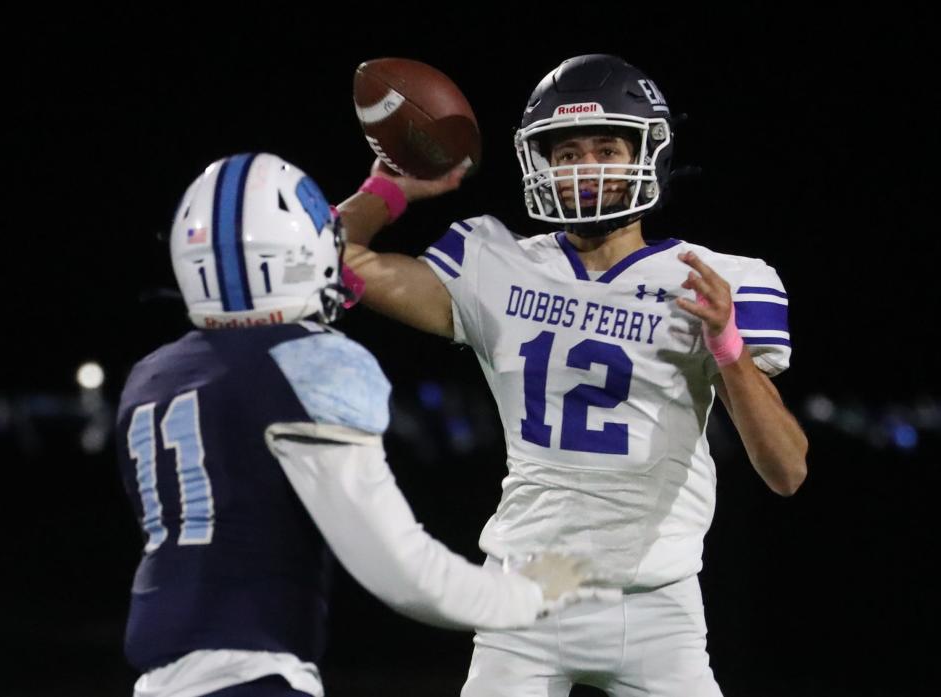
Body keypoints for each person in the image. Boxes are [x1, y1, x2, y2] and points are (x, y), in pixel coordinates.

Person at [337, 54, 809, 697]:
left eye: (606, 146)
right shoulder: (494, 262)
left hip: (658, 606)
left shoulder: (714, 281)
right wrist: (390, 189)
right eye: (565, 152)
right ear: (541, 163)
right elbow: (332, 262)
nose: (584, 166)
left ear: (647, 151)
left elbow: (787, 471)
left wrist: (728, 346)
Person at [115, 153, 589, 697]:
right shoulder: (310, 365)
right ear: (302, 254)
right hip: (256, 679)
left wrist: (385, 190)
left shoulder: (154, 375)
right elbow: (403, 572)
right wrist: (529, 594)